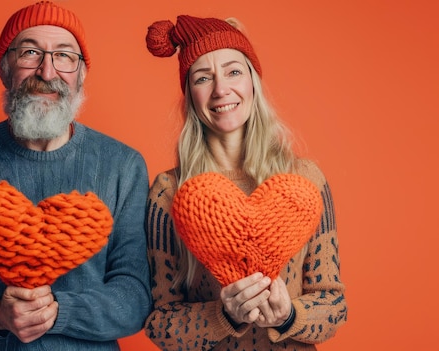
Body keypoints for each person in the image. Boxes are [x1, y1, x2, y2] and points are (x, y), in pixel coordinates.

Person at [0, 1, 151, 350]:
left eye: (64, 56)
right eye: (30, 52)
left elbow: (136, 296)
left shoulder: (123, 166)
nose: (47, 72)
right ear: (5, 69)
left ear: (81, 74)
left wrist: (59, 312)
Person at [143, 14, 347, 350]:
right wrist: (226, 314)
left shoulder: (304, 181)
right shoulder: (169, 192)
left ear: (253, 81)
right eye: (203, 78)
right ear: (189, 94)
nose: (221, 89)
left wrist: (289, 316)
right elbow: (159, 322)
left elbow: (334, 305)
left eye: (234, 71)